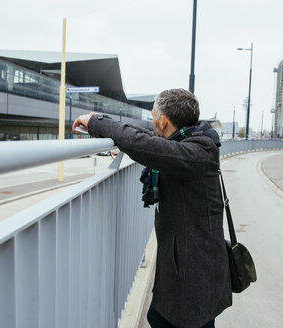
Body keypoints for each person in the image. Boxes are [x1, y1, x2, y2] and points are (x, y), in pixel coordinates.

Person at [72, 88, 232, 328]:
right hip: (187, 264)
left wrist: (96, 122)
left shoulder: (196, 152)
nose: (153, 122)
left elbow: (144, 144)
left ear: (163, 120)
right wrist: (101, 124)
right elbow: (146, 138)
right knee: (160, 317)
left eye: (154, 117)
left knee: (168, 320)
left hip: (195, 272)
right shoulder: (189, 142)